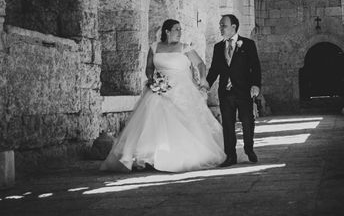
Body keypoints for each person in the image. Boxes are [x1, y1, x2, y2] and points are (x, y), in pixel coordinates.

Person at [101, 19, 226, 172]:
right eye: (176, 29)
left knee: (183, 121)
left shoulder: (184, 48)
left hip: (181, 89)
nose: (180, 32)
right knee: (152, 119)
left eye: (180, 29)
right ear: (167, 31)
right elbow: (149, 67)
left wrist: (203, 79)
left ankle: (178, 155)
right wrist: (152, 78)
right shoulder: (154, 47)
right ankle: (148, 157)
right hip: (159, 87)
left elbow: (200, 64)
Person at [206, 14, 262, 167]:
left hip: (244, 90)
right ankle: (230, 155)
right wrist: (206, 85)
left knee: (247, 121)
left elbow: (255, 67)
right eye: (220, 25)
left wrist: (256, 85)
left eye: (223, 25)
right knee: (228, 125)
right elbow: (214, 70)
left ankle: (249, 149)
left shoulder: (248, 44)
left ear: (233, 27)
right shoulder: (218, 47)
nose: (220, 28)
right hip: (226, 92)